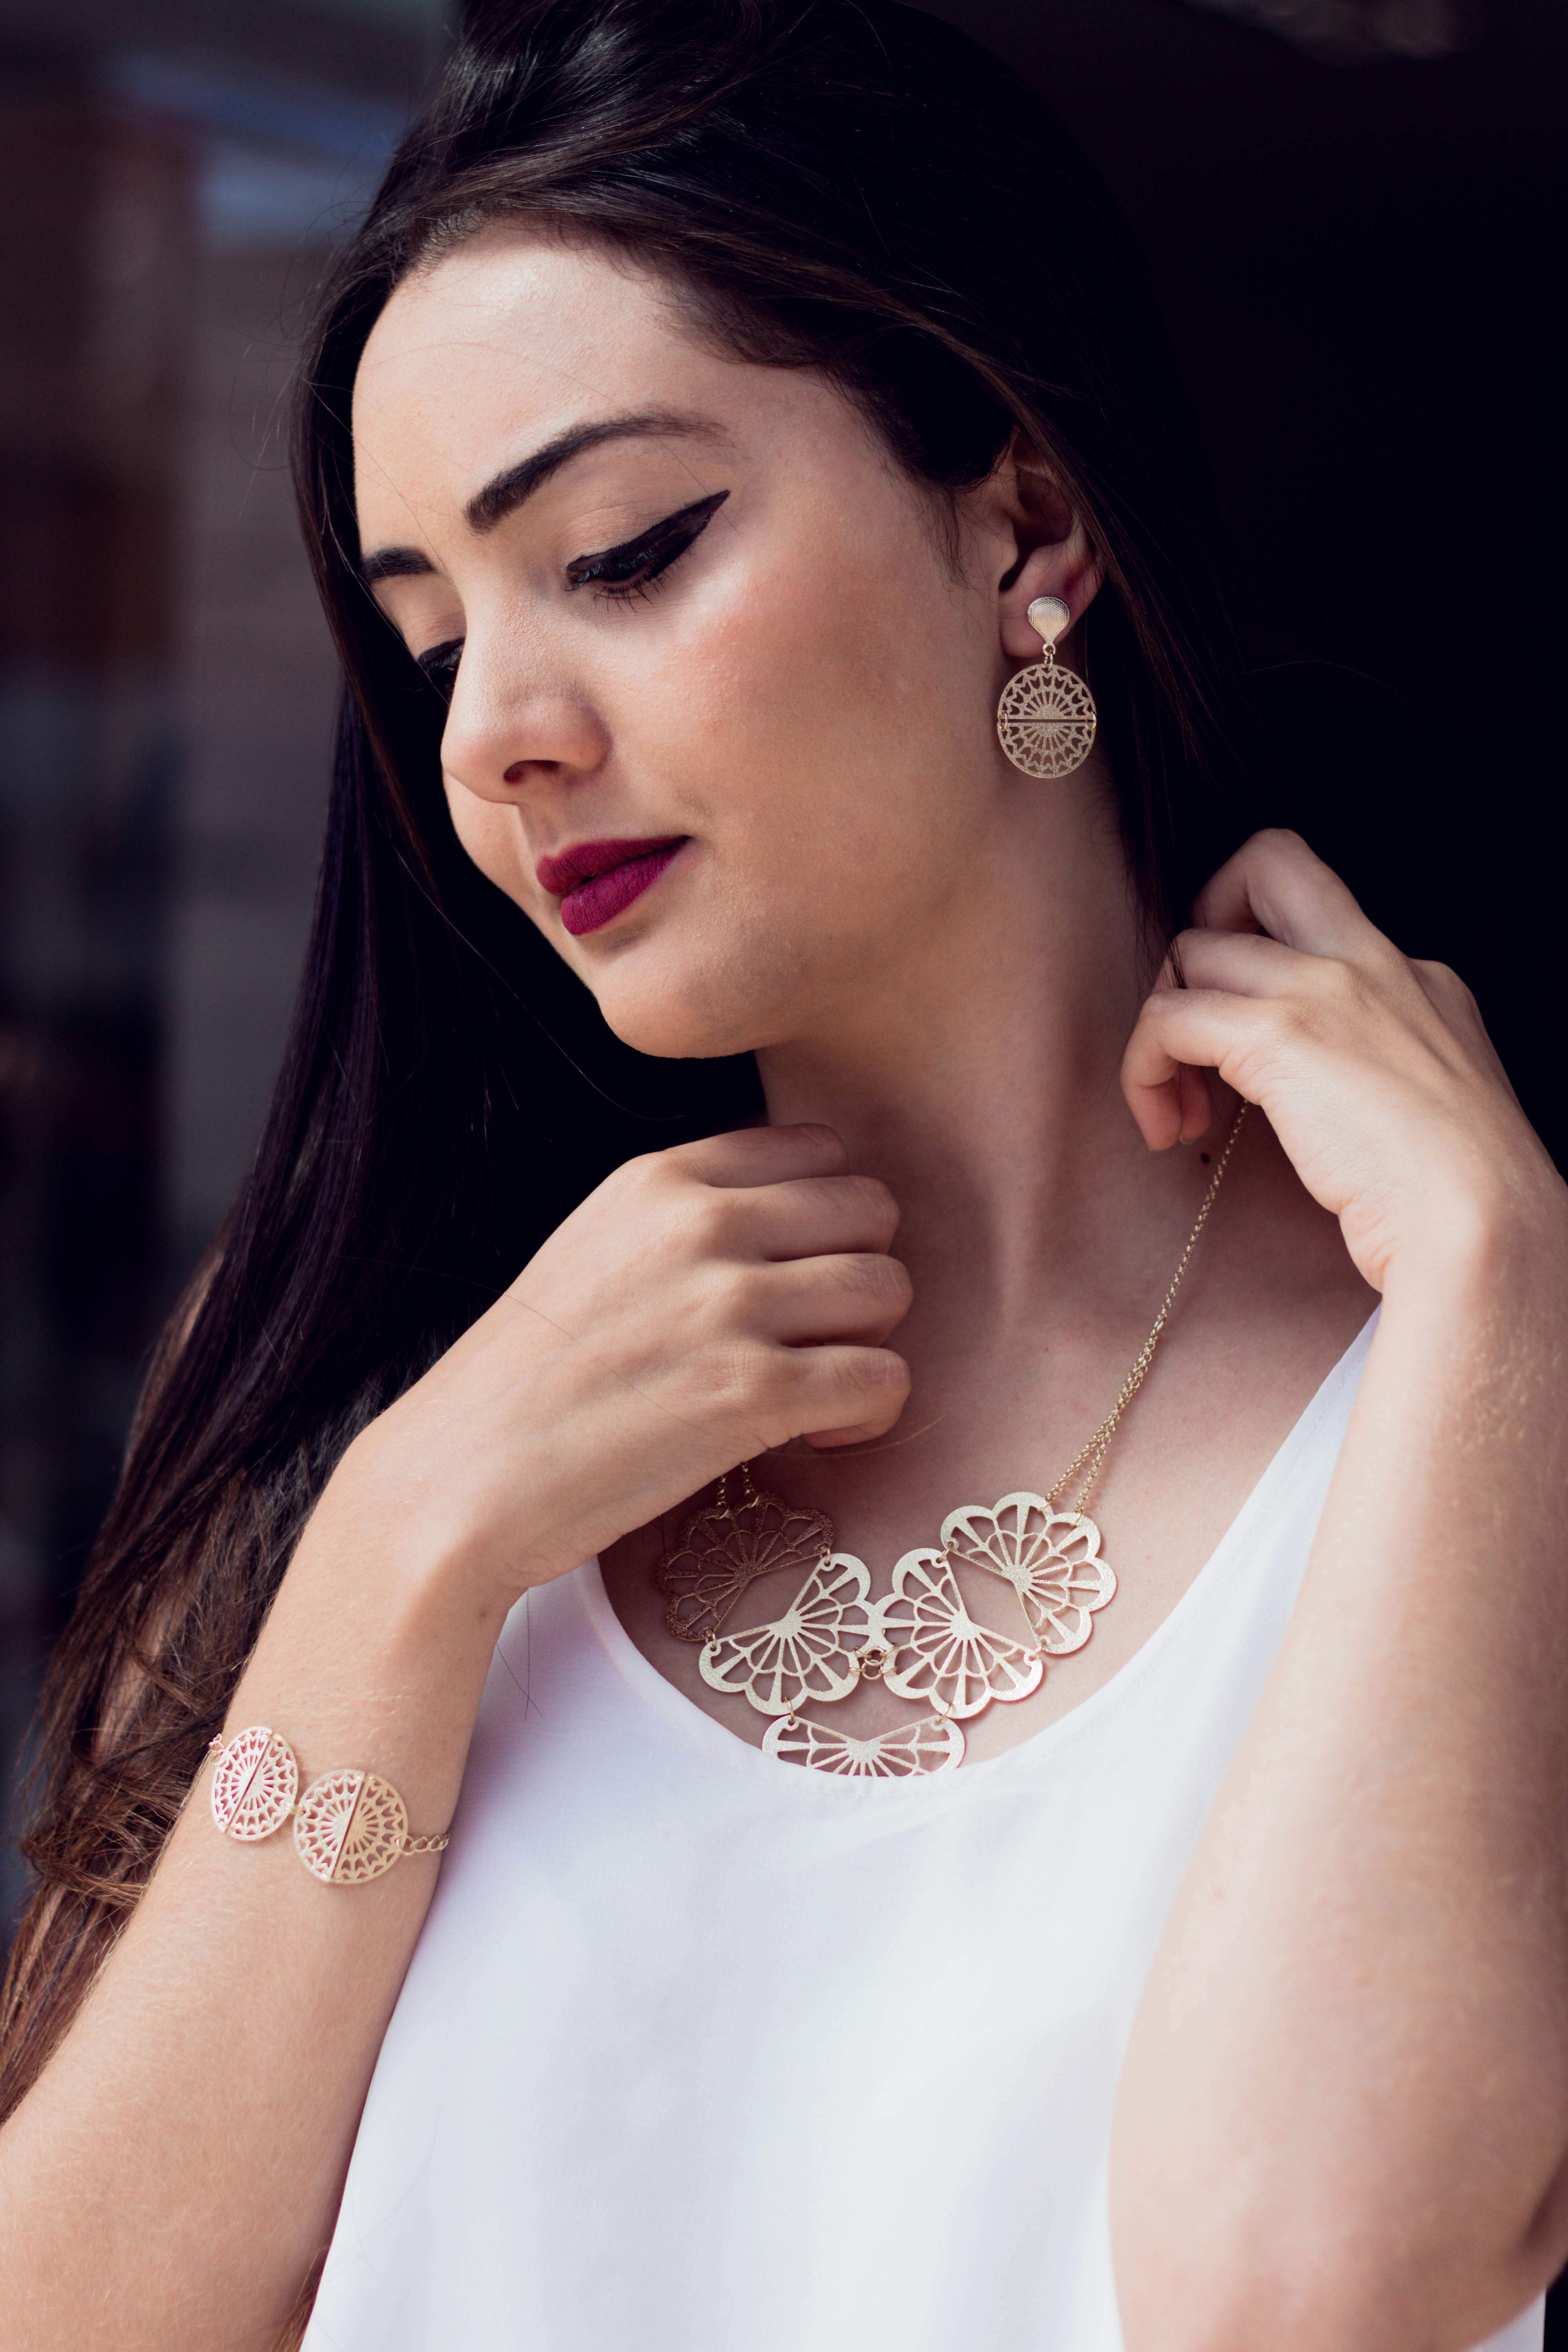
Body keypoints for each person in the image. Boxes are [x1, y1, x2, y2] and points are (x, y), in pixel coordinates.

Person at [2, 2, 1564, 2346]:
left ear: (1025, 525)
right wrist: (407, 1559)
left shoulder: (1473, 1387)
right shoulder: (388, 1374)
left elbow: (1304, 2291)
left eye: (623, 551)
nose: (493, 737)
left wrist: (1495, 1294)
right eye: (423, 638)